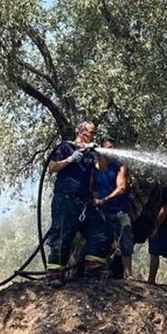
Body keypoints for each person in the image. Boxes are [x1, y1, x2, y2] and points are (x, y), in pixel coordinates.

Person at [44, 120, 111, 286]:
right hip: (66, 199)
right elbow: (52, 167)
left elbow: (102, 167)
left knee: (101, 230)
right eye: (92, 132)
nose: (94, 135)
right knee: (62, 235)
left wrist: (98, 153)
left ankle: (93, 269)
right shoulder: (65, 147)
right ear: (82, 132)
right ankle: (54, 275)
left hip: (85, 202)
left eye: (95, 133)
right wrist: (71, 159)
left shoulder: (90, 153)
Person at [92, 137, 134, 280]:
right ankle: (104, 272)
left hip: (120, 210)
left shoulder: (119, 166)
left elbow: (121, 188)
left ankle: (128, 275)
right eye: (108, 148)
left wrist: (104, 200)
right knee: (104, 241)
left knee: (125, 241)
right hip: (103, 212)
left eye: (113, 148)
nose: (111, 151)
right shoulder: (95, 168)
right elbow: (90, 187)